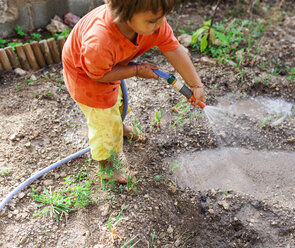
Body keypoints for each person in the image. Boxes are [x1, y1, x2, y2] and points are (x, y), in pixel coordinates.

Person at [62, 0, 205, 183]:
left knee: (118, 101)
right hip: (87, 77)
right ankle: (108, 168)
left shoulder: (152, 21)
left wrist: (196, 84)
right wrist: (135, 70)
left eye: (162, 17)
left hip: (107, 68)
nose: (161, 24)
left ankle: (119, 128)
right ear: (124, 14)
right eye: (153, 20)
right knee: (104, 122)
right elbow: (98, 75)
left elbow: (173, 48)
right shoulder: (99, 40)